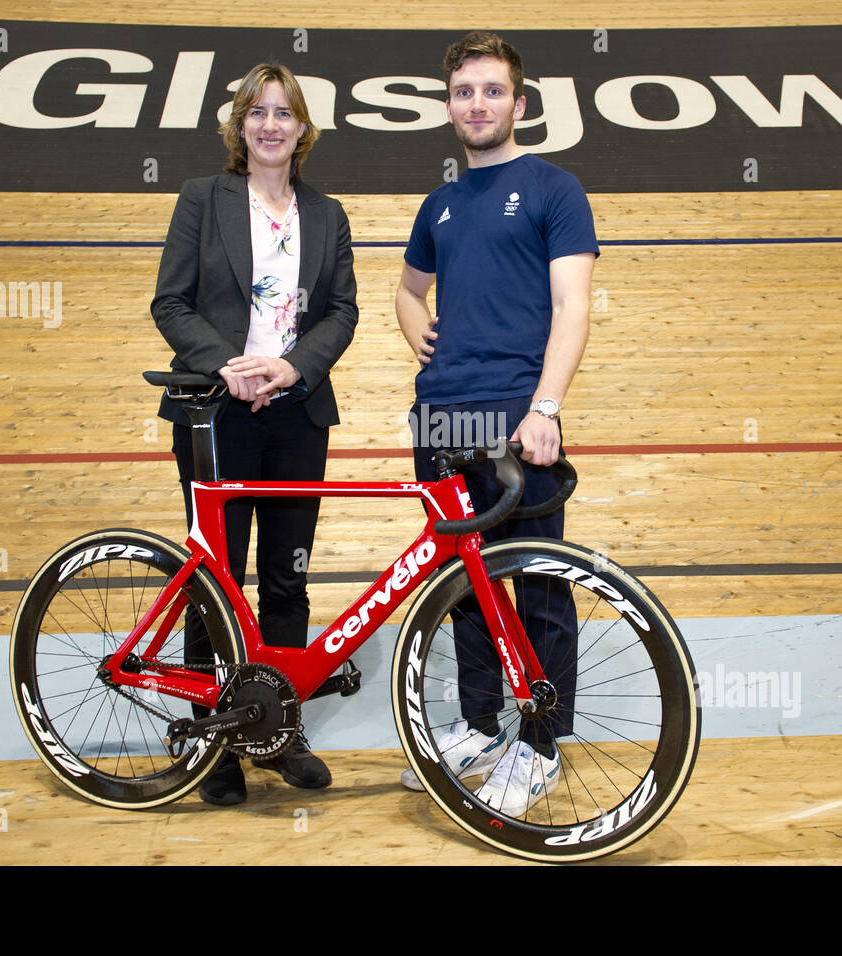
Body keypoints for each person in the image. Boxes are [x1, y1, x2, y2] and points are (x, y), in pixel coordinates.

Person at [394, 32, 598, 814]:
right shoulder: (440, 202)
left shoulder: (554, 188)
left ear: (518, 101)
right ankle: (480, 725)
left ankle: (539, 743)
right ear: (449, 106)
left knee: (539, 582)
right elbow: (408, 289)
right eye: (462, 93)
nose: (475, 104)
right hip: (440, 419)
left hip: (518, 416)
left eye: (490, 90)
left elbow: (573, 306)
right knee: (465, 586)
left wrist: (547, 406)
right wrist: (416, 327)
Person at [152, 62, 358, 806]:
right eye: (258, 112)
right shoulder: (202, 200)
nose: (271, 124)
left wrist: (291, 368)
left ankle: (276, 730)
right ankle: (215, 739)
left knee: (287, 578)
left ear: (304, 130)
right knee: (215, 582)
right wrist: (230, 366)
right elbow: (171, 303)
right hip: (218, 414)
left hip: (296, 412)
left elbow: (341, 312)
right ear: (240, 126)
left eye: (285, 113)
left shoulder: (328, 214)